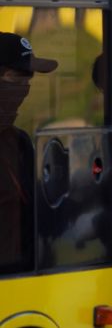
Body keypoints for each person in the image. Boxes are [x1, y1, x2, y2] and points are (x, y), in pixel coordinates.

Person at [0, 32, 58, 274]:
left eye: (28, 81)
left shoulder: (20, 142)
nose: (24, 89)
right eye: (17, 78)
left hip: (26, 278)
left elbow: (36, 213)